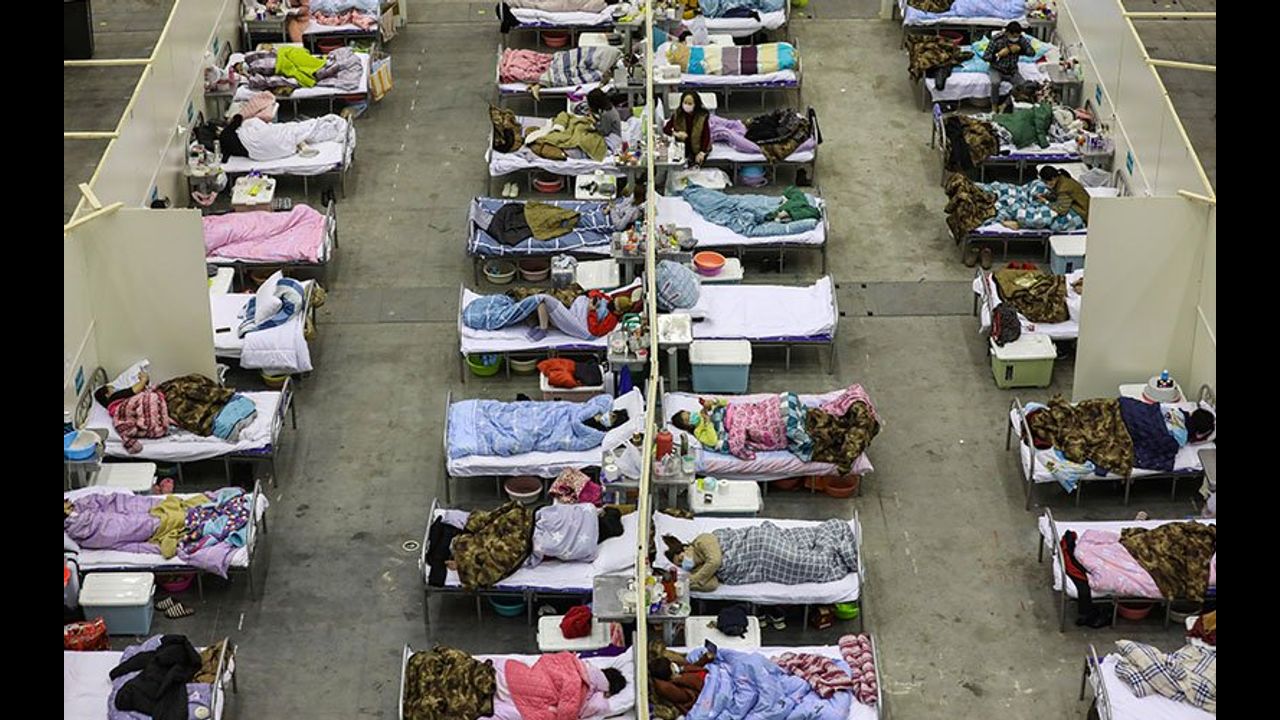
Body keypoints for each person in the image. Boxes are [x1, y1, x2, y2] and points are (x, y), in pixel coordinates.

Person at [983, 21, 1035, 112]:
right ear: (1007, 33)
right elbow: (986, 57)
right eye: (1014, 36)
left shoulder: (1021, 39)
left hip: (1012, 70)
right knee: (995, 83)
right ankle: (994, 105)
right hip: (997, 68)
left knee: (1023, 86)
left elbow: (1032, 53)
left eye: (1017, 36)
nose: (1015, 39)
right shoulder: (997, 39)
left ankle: (1004, 104)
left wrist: (1021, 50)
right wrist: (998, 55)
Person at [664, 91, 712, 167]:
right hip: (683, 147)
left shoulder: (702, 117)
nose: (687, 105)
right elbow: (666, 129)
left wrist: (702, 152)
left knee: (697, 162)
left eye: (690, 104)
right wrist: (677, 134)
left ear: (695, 104)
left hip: (698, 147)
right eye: (685, 103)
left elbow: (706, 136)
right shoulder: (678, 114)